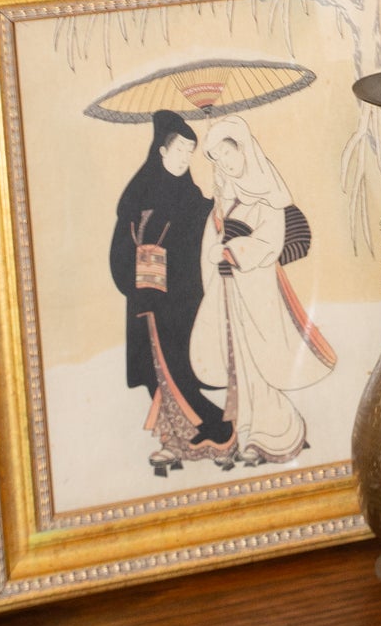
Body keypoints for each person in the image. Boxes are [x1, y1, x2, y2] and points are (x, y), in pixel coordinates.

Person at [189, 115, 336, 466]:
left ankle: (275, 433)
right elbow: (212, 239)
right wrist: (215, 241)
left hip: (258, 291)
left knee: (260, 362)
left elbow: (270, 243)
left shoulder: (268, 194)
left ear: (243, 150)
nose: (226, 163)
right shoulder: (224, 196)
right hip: (230, 293)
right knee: (238, 363)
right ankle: (245, 433)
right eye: (218, 158)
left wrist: (232, 250)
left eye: (228, 153)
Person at [108, 110, 234, 475]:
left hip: (179, 301)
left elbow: (206, 223)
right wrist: (133, 280)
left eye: (189, 153)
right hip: (144, 297)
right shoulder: (136, 195)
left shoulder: (190, 195)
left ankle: (215, 432)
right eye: (179, 150)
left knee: (178, 369)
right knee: (153, 373)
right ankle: (174, 441)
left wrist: (220, 199)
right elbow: (120, 246)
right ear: (161, 150)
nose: (183, 159)